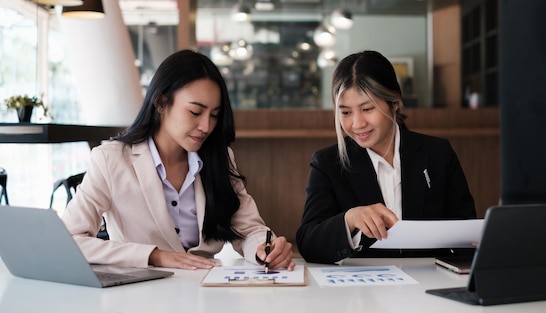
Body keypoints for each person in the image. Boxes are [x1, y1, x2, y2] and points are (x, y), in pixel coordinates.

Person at [62, 49, 295, 271]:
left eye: (214, 115)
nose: (206, 126)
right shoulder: (111, 159)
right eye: (195, 112)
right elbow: (70, 239)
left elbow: (249, 228)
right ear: (161, 102)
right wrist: (154, 256)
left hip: (203, 292)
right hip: (139, 296)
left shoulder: (219, 158)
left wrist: (265, 249)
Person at [296, 50, 476, 264]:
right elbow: (308, 241)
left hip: (430, 285)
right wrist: (349, 219)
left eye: (367, 108)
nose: (357, 123)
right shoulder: (328, 163)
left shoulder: (437, 153)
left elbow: (467, 230)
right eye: (345, 112)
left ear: (395, 103)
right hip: (361, 292)